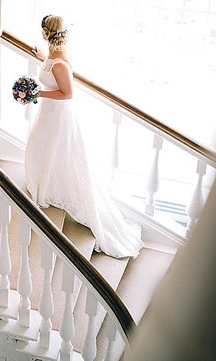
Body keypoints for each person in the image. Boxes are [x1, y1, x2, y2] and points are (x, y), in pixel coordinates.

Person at [25, 14, 143, 258]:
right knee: (41, 145)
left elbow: (67, 93)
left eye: (43, 30)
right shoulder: (53, 55)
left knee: (52, 148)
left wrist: (38, 93)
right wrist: (42, 59)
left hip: (58, 114)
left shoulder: (60, 62)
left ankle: (49, 188)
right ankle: (43, 185)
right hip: (48, 113)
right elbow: (52, 65)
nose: (41, 33)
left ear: (47, 32)